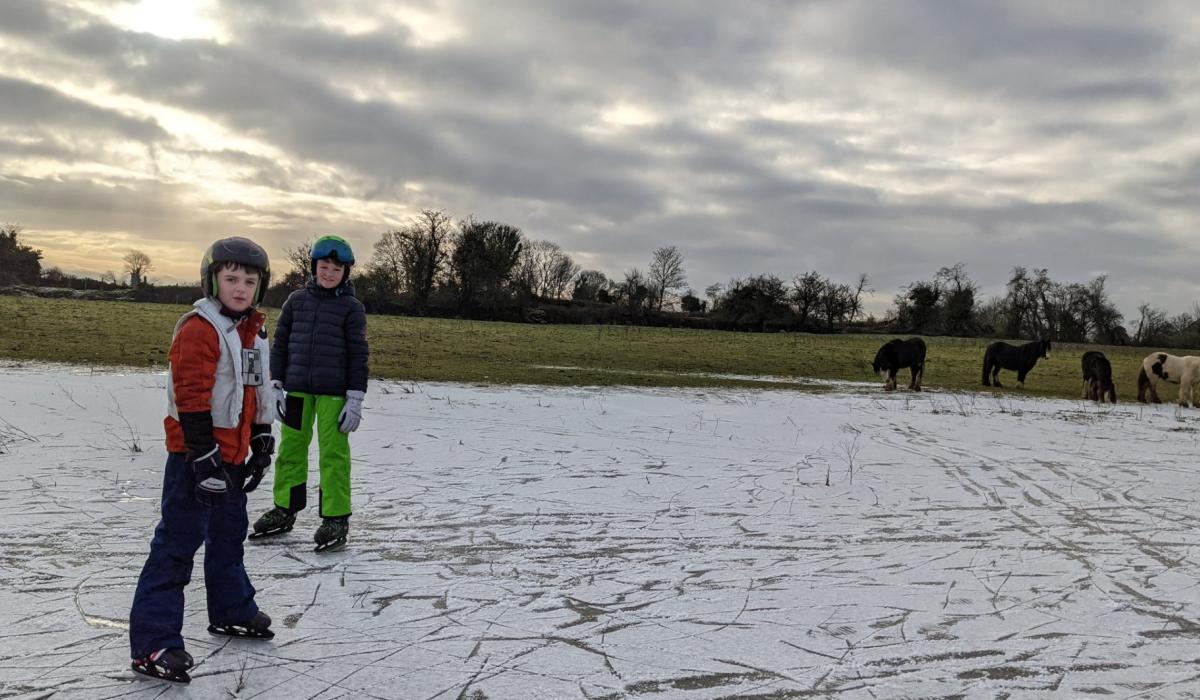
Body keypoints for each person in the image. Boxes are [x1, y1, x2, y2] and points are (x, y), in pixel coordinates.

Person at [128, 237, 277, 684]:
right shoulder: (199, 328)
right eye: (231, 279)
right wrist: (203, 454)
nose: (240, 288)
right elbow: (189, 395)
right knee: (176, 546)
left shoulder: (253, 330)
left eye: (249, 281)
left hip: (230, 456)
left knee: (229, 536)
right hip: (195, 458)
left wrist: (263, 436)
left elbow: (257, 388)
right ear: (212, 280)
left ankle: (231, 608)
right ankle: (154, 642)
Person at [251, 235, 368, 552]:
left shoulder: (351, 308)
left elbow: (359, 355)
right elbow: (282, 344)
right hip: (298, 391)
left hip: (334, 395)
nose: (329, 273)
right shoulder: (296, 301)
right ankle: (284, 509)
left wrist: (355, 398)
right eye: (324, 266)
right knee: (291, 449)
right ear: (314, 267)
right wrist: (275, 385)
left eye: (336, 269)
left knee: (333, 455)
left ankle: (335, 517)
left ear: (346, 273)